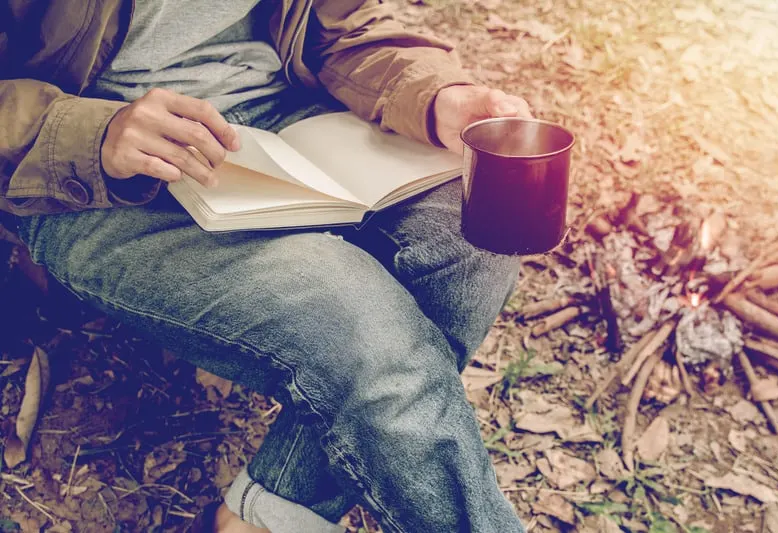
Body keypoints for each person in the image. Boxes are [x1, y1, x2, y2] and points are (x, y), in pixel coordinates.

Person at [0, 1, 533, 531]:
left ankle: (271, 512)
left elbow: (337, 23)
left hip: (284, 119)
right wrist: (93, 133)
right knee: (353, 322)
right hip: (92, 173)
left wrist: (436, 94)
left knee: (481, 228)